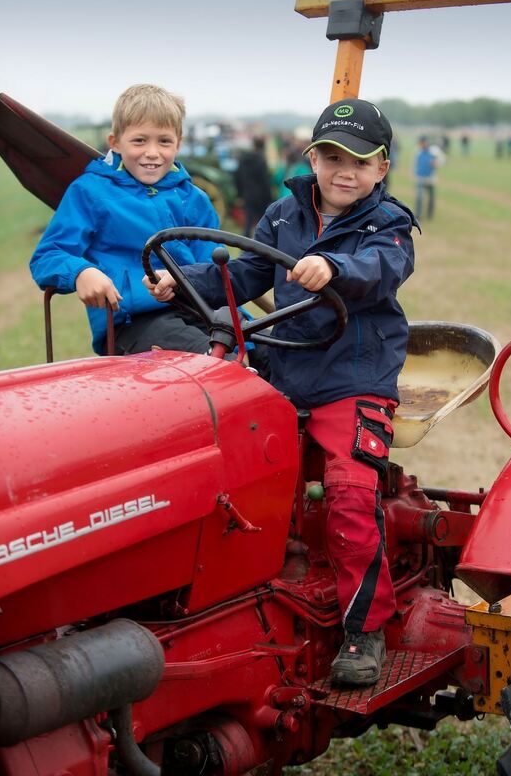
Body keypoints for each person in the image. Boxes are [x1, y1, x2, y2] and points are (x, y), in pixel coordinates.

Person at [144, 98, 417, 688]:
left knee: (348, 489)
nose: (344, 171)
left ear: (382, 168)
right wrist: (181, 281)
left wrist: (335, 269)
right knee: (224, 466)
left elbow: (380, 269)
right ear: (312, 157)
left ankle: (363, 628)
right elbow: (241, 275)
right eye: (332, 156)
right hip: (287, 370)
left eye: (360, 161)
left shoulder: (388, 226)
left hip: (353, 378)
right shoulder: (283, 213)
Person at [30, 83, 222, 357]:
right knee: (218, 361)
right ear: (115, 143)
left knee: (273, 354)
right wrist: (81, 272)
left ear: (178, 143)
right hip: (136, 321)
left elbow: (212, 268)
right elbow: (48, 254)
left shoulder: (193, 198)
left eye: (164, 141)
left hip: (203, 310)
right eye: (139, 140)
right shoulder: (90, 192)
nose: (153, 152)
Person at [235, 137, 273, 237]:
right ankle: (260, 242)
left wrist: (240, 194)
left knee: (248, 221)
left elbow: (238, 177)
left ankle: (245, 242)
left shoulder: (243, 159)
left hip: (247, 194)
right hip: (260, 196)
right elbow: (265, 181)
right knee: (262, 222)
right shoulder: (261, 160)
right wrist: (269, 197)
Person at [413, 136, 438, 221]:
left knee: (431, 197)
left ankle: (429, 213)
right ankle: (418, 215)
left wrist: (436, 163)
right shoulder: (417, 151)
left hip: (430, 178)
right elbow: (414, 163)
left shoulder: (434, 151)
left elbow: (442, 160)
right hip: (420, 178)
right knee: (419, 197)